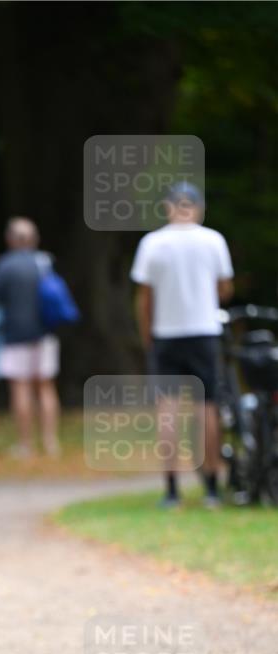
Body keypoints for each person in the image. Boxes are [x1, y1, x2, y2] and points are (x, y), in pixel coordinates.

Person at [131, 182, 235, 508]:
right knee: (208, 408)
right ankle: (212, 489)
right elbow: (225, 288)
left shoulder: (152, 243)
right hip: (204, 332)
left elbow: (144, 299)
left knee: (168, 412)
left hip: (166, 335)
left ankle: (172, 489)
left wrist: (148, 335)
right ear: (199, 208)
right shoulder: (213, 240)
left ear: (168, 207)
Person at [0, 218, 61, 458]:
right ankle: (51, 443)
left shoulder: (4, 265)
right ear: (34, 239)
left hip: (15, 335)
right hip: (46, 334)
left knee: (21, 388)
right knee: (46, 387)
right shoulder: (44, 262)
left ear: (10, 239)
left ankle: (25, 445)